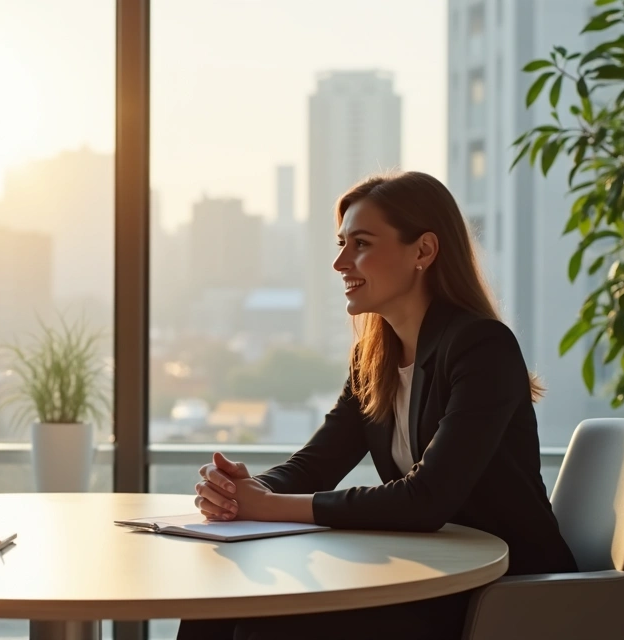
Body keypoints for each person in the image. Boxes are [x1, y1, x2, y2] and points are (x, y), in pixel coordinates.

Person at [180, 171, 578, 640]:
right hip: (429, 575)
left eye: (361, 244)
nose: (340, 263)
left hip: (502, 588)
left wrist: (267, 506)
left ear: (423, 252)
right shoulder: (374, 360)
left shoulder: (481, 346)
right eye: (341, 243)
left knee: (264, 624)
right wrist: (241, 492)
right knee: (214, 607)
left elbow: (426, 500)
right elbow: (315, 464)